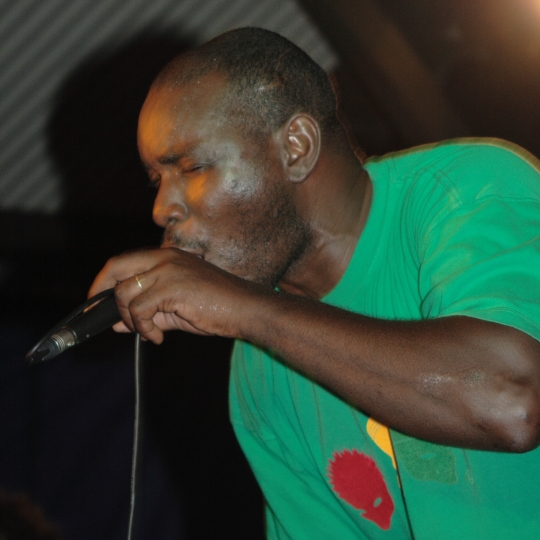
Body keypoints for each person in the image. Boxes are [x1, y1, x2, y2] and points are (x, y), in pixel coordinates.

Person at [89, 27, 540, 539]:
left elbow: (510, 401)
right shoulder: (259, 371)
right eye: (157, 181)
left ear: (297, 147)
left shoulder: (466, 189)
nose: (160, 209)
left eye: (191, 167)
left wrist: (247, 310)